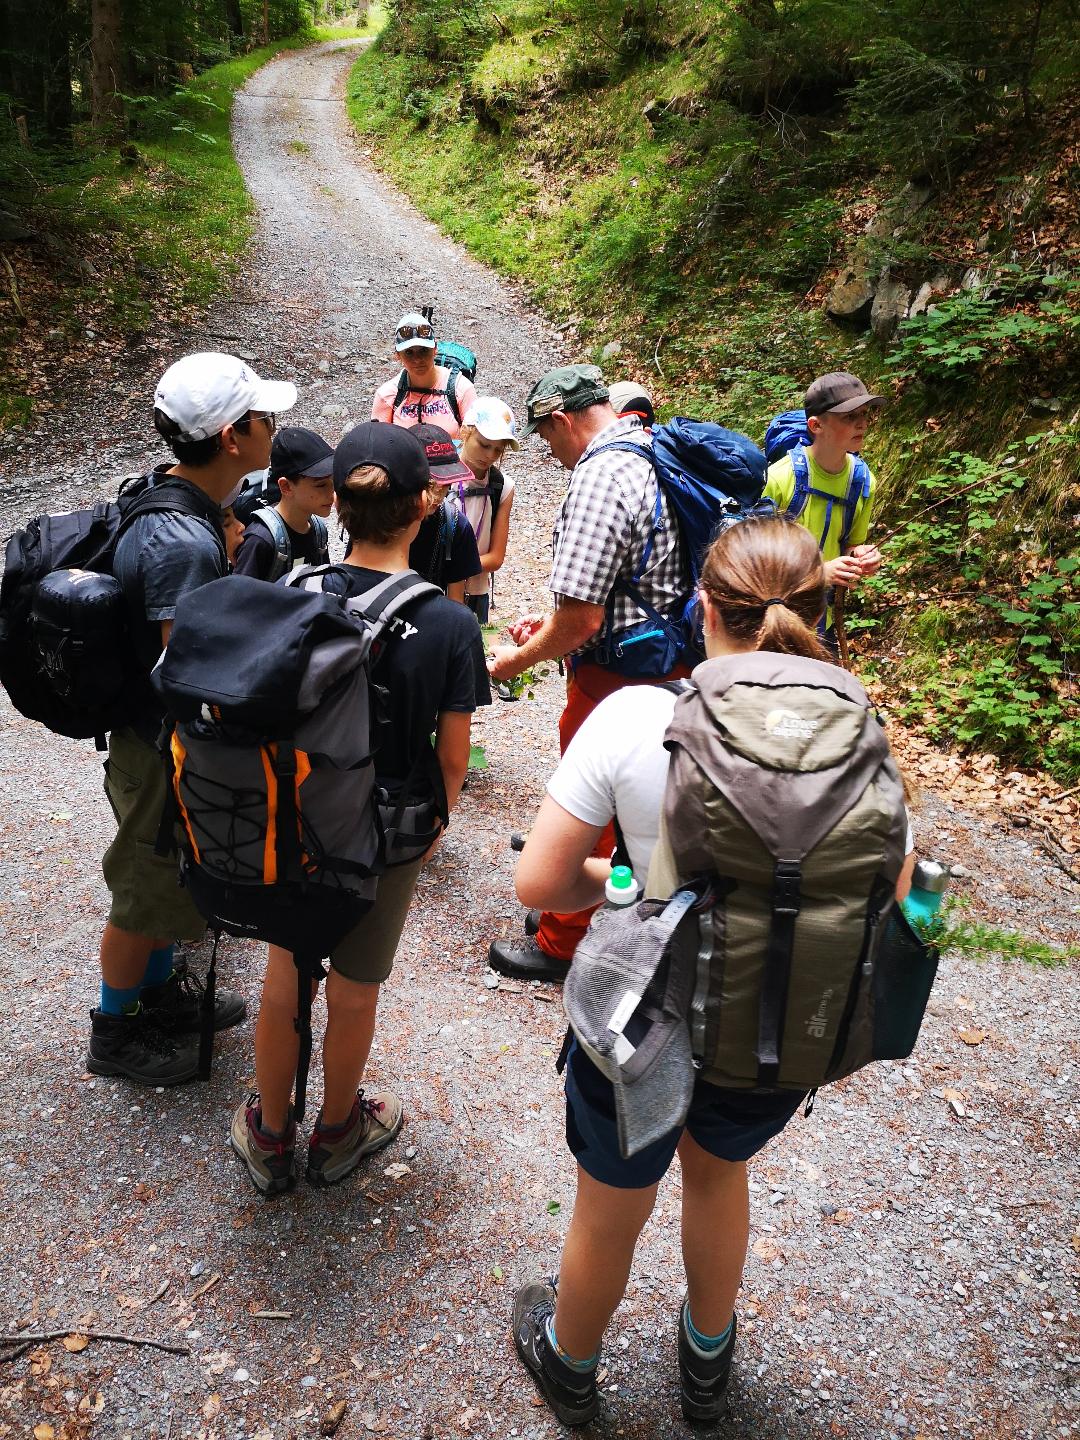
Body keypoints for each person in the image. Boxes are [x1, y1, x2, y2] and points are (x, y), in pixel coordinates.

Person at [508, 516, 915, 1427]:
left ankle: (571, 1366)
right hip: (772, 1026)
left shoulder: (638, 719)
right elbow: (890, 892)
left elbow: (537, 882)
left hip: (640, 1027)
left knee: (611, 1203)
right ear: (818, 610)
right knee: (717, 1175)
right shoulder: (858, 740)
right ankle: (705, 1370)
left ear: (703, 611)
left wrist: (622, 879)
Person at [230, 422, 490, 1193]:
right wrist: (432, 834)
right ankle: (338, 1129)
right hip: (383, 837)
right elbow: (452, 757)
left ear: (338, 504)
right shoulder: (447, 625)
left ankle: (271, 1132)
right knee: (355, 984)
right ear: (427, 505)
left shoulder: (295, 591)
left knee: (287, 968)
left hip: (291, 817)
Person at [87, 353, 297, 1086]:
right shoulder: (181, 541)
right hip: (156, 745)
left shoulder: (189, 502)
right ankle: (115, 1030)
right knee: (144, 889)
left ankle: (156, 997)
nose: (277, 427)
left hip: (154, 738)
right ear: (234, 435)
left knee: (170, 879)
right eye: (266, 418)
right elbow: (190, 668)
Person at [486, 365, 691, 983]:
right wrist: (549, 619)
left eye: (546, 436)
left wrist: (513, 661)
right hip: (668, 656)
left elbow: (580, 620)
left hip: (614, 675)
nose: (549, 451)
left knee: (595, 804)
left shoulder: (600, 476)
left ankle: (563, 939)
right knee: (643, 798)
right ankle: (600, 908)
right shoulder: (653, 450)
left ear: (562, 419)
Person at [763, 372, 885, 656]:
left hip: (823, 619)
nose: (862, 423)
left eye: (865, 414)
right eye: (848, 416)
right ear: (816, 425)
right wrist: (819, 573)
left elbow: (852, 542)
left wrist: (862, 556)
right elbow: (756, 562)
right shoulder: (780, 479)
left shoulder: (862, 481)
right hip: (775, 617)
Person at [231, 426, 334, 580]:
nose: (331, 493)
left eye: (333, 482)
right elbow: (239, 597)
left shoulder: (318, 531)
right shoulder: (260, 539)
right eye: (320, 485)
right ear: (285, 486)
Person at [453, 397, 520, 624]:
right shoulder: (441, 477)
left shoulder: (503, 487)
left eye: (498, 450)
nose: (490, 456)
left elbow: (496, 557)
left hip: (476, 592)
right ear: (465, 432)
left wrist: (452, 567)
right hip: (432, 584)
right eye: (484, 444)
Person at [408, 423, 483, 604]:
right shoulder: (378, 517)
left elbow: (456, 600)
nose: (438, 496)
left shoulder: (456, 526)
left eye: (446, 486)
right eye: (430, 484)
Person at [371, 311, 478, 437]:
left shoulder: (461, 389)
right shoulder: (387, 396)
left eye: (423, 350)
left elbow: (474, 442)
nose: (417, 359)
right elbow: (378, 445)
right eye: (409, 352)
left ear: (435, 349)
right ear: (398, 355)